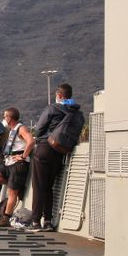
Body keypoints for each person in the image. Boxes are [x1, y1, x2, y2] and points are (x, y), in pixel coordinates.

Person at [30, 83, 82, 232]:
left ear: (59, 95)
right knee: (48, 188)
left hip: (45, 148)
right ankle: (47, 221)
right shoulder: (77, 113)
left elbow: (39, 129)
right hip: (61, 152)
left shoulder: (53, 108)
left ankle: (35, 222)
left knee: (39, 186)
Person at [0, 107, 35, 227]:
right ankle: (15, 185)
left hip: (18, 164)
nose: (3, 119)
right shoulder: (11, 129)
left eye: (5, 117)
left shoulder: (21, 128)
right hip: (8, 162)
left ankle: (5, 218)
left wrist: (23, 156)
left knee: (12, 193)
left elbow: (31, 141)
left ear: (9, 118)